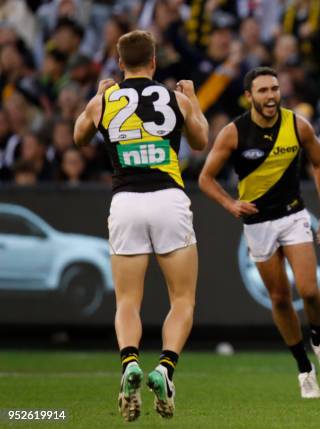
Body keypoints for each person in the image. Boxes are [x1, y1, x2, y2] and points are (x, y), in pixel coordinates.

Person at [73, 30, 209, 422]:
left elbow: (79, 137)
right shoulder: (175, 98)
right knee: (182, 299)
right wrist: (194, 101)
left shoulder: (105, 100)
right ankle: (165, 369)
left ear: (119, 63)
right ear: (154, 62)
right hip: (169, 199)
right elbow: (199, 140)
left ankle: (129, 361)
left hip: (126, 201)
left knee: (128, 300)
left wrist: (97, 98)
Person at [199, 66, 320, 399]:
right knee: (278, 297)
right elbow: (206, 178)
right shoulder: (234, 133)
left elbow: (319, 165)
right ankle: (304, 368)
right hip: (257, 222)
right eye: (263, 90)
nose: (271, 96)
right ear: (249, 96)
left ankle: (319, 338)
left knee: (308, 289)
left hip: (292, 214)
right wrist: (230, 204)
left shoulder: (297, 125)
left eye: (274, 89)